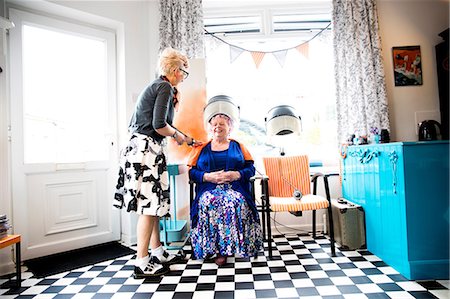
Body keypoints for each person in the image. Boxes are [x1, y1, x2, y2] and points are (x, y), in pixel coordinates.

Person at [113, 47, 197, 278]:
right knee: (148, 208)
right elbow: (160, 125)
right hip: (145, 150)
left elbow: (160, 125)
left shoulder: (160, 87)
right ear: (173, 69)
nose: (183, 77)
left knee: (154, 206)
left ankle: (157, 252)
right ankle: (141, 262)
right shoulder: (163, 87)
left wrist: (186, 138)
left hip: (146, 148)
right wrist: (180, 137)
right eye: (183, 72)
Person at [187, 113, 263, 266]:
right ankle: (216, 250)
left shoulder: (238, 146)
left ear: (230, 128)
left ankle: (237, 246)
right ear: (210, 128)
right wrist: (208, 177)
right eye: (214, 124)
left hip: (235, 188)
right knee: (210, 201)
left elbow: (251, 169)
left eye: (222, 124)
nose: (217, 127)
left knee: (234, 201)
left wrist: (237, 174)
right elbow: (192, 172)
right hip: (209, 188)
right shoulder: (201, 148)